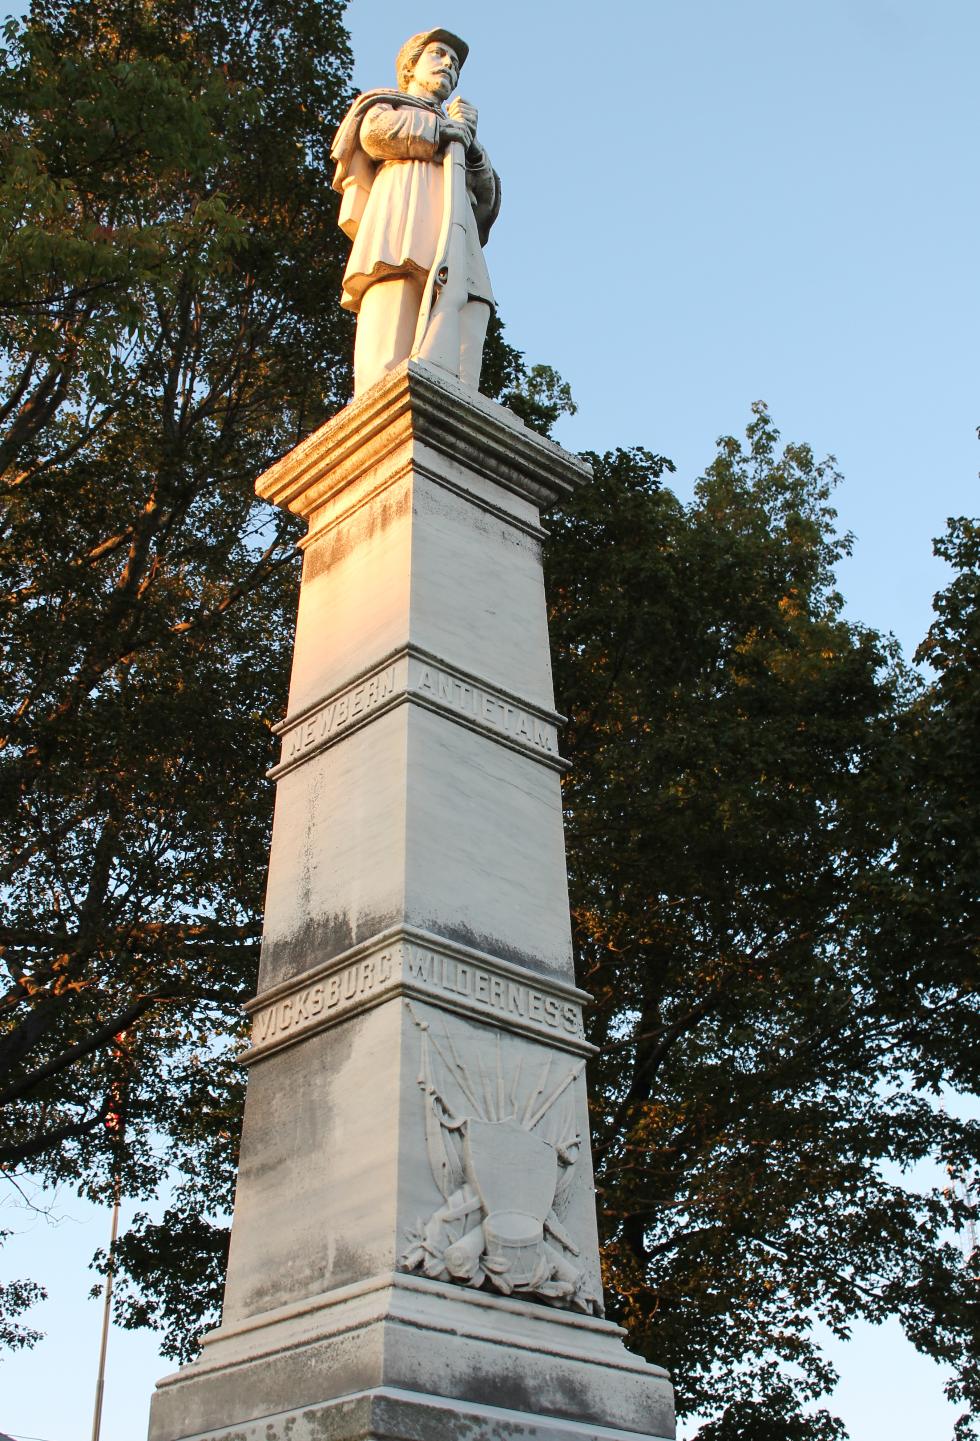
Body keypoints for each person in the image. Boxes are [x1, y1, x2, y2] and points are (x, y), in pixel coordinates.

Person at [331, 28, 500, 396]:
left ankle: (461, 393)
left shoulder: (463, 135)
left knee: (472, 306)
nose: (449, 65)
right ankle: (382, 392)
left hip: (455, 223)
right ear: (410, 66)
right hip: (403, 204)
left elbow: (486, 199)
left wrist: (470, 147)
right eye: (438, 54)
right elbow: (375, 134)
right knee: (397, 287)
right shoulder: (383, 103)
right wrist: (443, 130)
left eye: (454, 64)